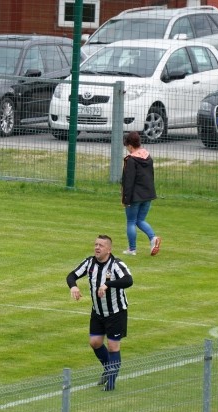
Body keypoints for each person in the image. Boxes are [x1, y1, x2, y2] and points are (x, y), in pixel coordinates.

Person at [66, 234, 133, 391]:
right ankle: (109, 368)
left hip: (116, 312)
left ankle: (110, 384)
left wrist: (108, 284)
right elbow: (71, 275)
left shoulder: (116, 264)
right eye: (96, 244)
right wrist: (73, 286)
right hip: (98, 312)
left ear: (108, 250)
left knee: (112, 346)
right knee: (95, 343)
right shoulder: (90, 262)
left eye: (101, 245)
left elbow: (128, 280)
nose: (97, 247)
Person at [121, 131, 161, 256]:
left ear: (130, 146)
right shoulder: (148, 157)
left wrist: (125, 198)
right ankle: (153, 238)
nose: (127, 150)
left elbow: (128, 181)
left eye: (127, 147)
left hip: (135, 196)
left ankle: (132, 249)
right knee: (140, 220)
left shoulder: (131, 160)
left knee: (131, 221)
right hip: (148, 194)